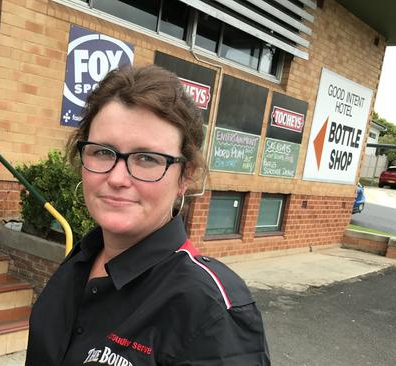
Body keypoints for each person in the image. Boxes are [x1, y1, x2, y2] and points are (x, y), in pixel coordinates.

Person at [25, 65, 270, 365]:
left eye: (147, 159)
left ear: (185, 177)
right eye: (102, 152)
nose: (117, 177)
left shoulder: (210, 310)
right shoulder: (79, 261)